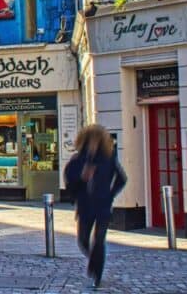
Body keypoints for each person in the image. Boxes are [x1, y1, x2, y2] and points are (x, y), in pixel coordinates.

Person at [64, 124, 127, 289]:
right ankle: (95, 262)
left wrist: (110, 195)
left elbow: (122, 179)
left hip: (102, 205)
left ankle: (97, 274)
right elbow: (69, 183)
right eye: (90, 139)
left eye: (97, 139)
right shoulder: (78, 159)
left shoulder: (108, 159)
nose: (93, 143)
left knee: (99, 240)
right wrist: (82, 178)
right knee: (83, 240)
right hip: (85, 205)